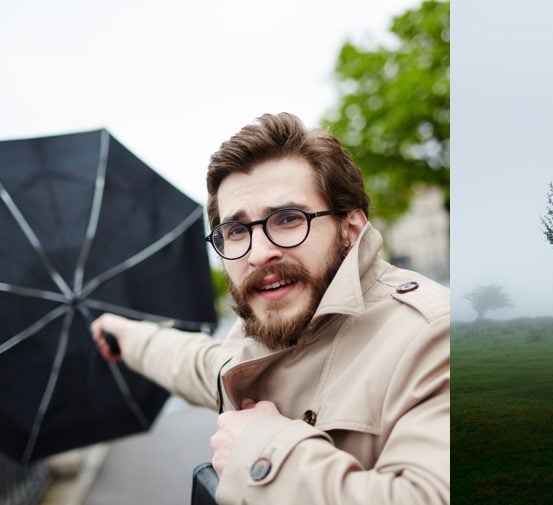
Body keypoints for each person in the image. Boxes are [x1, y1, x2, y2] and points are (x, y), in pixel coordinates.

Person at [91, 112, 449, 504]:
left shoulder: (434, 333)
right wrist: (126, 335)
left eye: (288, 219)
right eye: (236, 231)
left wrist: (259, 451)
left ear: (350, 229)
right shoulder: (261, 336)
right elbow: (197, 362)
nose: (259, 254)